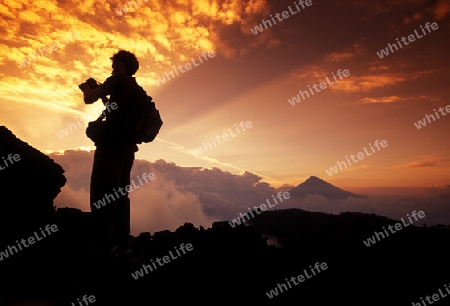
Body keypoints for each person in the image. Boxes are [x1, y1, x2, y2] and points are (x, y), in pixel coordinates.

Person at [82, 50, 141, 257]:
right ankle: (123, 244)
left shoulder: (117, 80)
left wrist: (89, 89)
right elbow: (115, 108)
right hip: (128, 149)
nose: (113, 68)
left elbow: (89, 100)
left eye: (115, 65)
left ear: (122, 66)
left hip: (110, 146)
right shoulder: (135, 89)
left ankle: (104, 246)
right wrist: (105, 97)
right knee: (121, 195)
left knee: (102, 191)